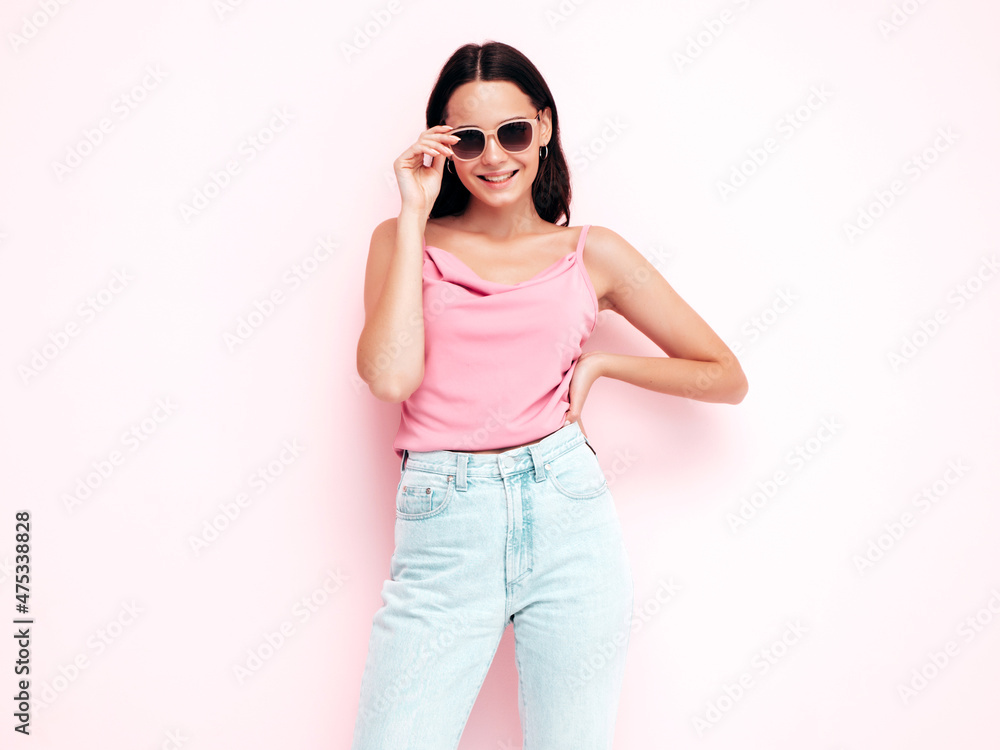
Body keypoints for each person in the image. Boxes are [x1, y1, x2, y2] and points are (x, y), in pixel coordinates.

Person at [353, 40, 747, 749]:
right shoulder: (401, 239)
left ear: (543, 126)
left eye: (512, 131)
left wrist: (603, 370)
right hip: (445, 521)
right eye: (468, 139)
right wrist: (413, 212)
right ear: (442, 146)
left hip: (567, 511)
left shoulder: (593, 253)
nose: (493, 156)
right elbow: (389, 377)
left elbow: (723, 373)